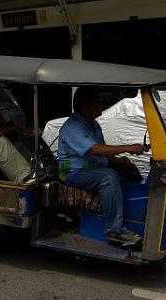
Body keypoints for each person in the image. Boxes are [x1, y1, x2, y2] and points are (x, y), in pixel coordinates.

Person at [57, 87, 148, 244]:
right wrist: (128, 147)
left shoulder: (93, 125)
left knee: (129, 169)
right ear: (86, 106)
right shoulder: (72, 127)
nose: (103, 105)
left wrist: (118, 160)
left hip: (91, 168)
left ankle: (136, 214)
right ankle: (114, 230)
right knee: (108, 176)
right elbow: (94, 149)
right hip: (72, 172)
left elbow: (102, 149)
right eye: (99, 102)